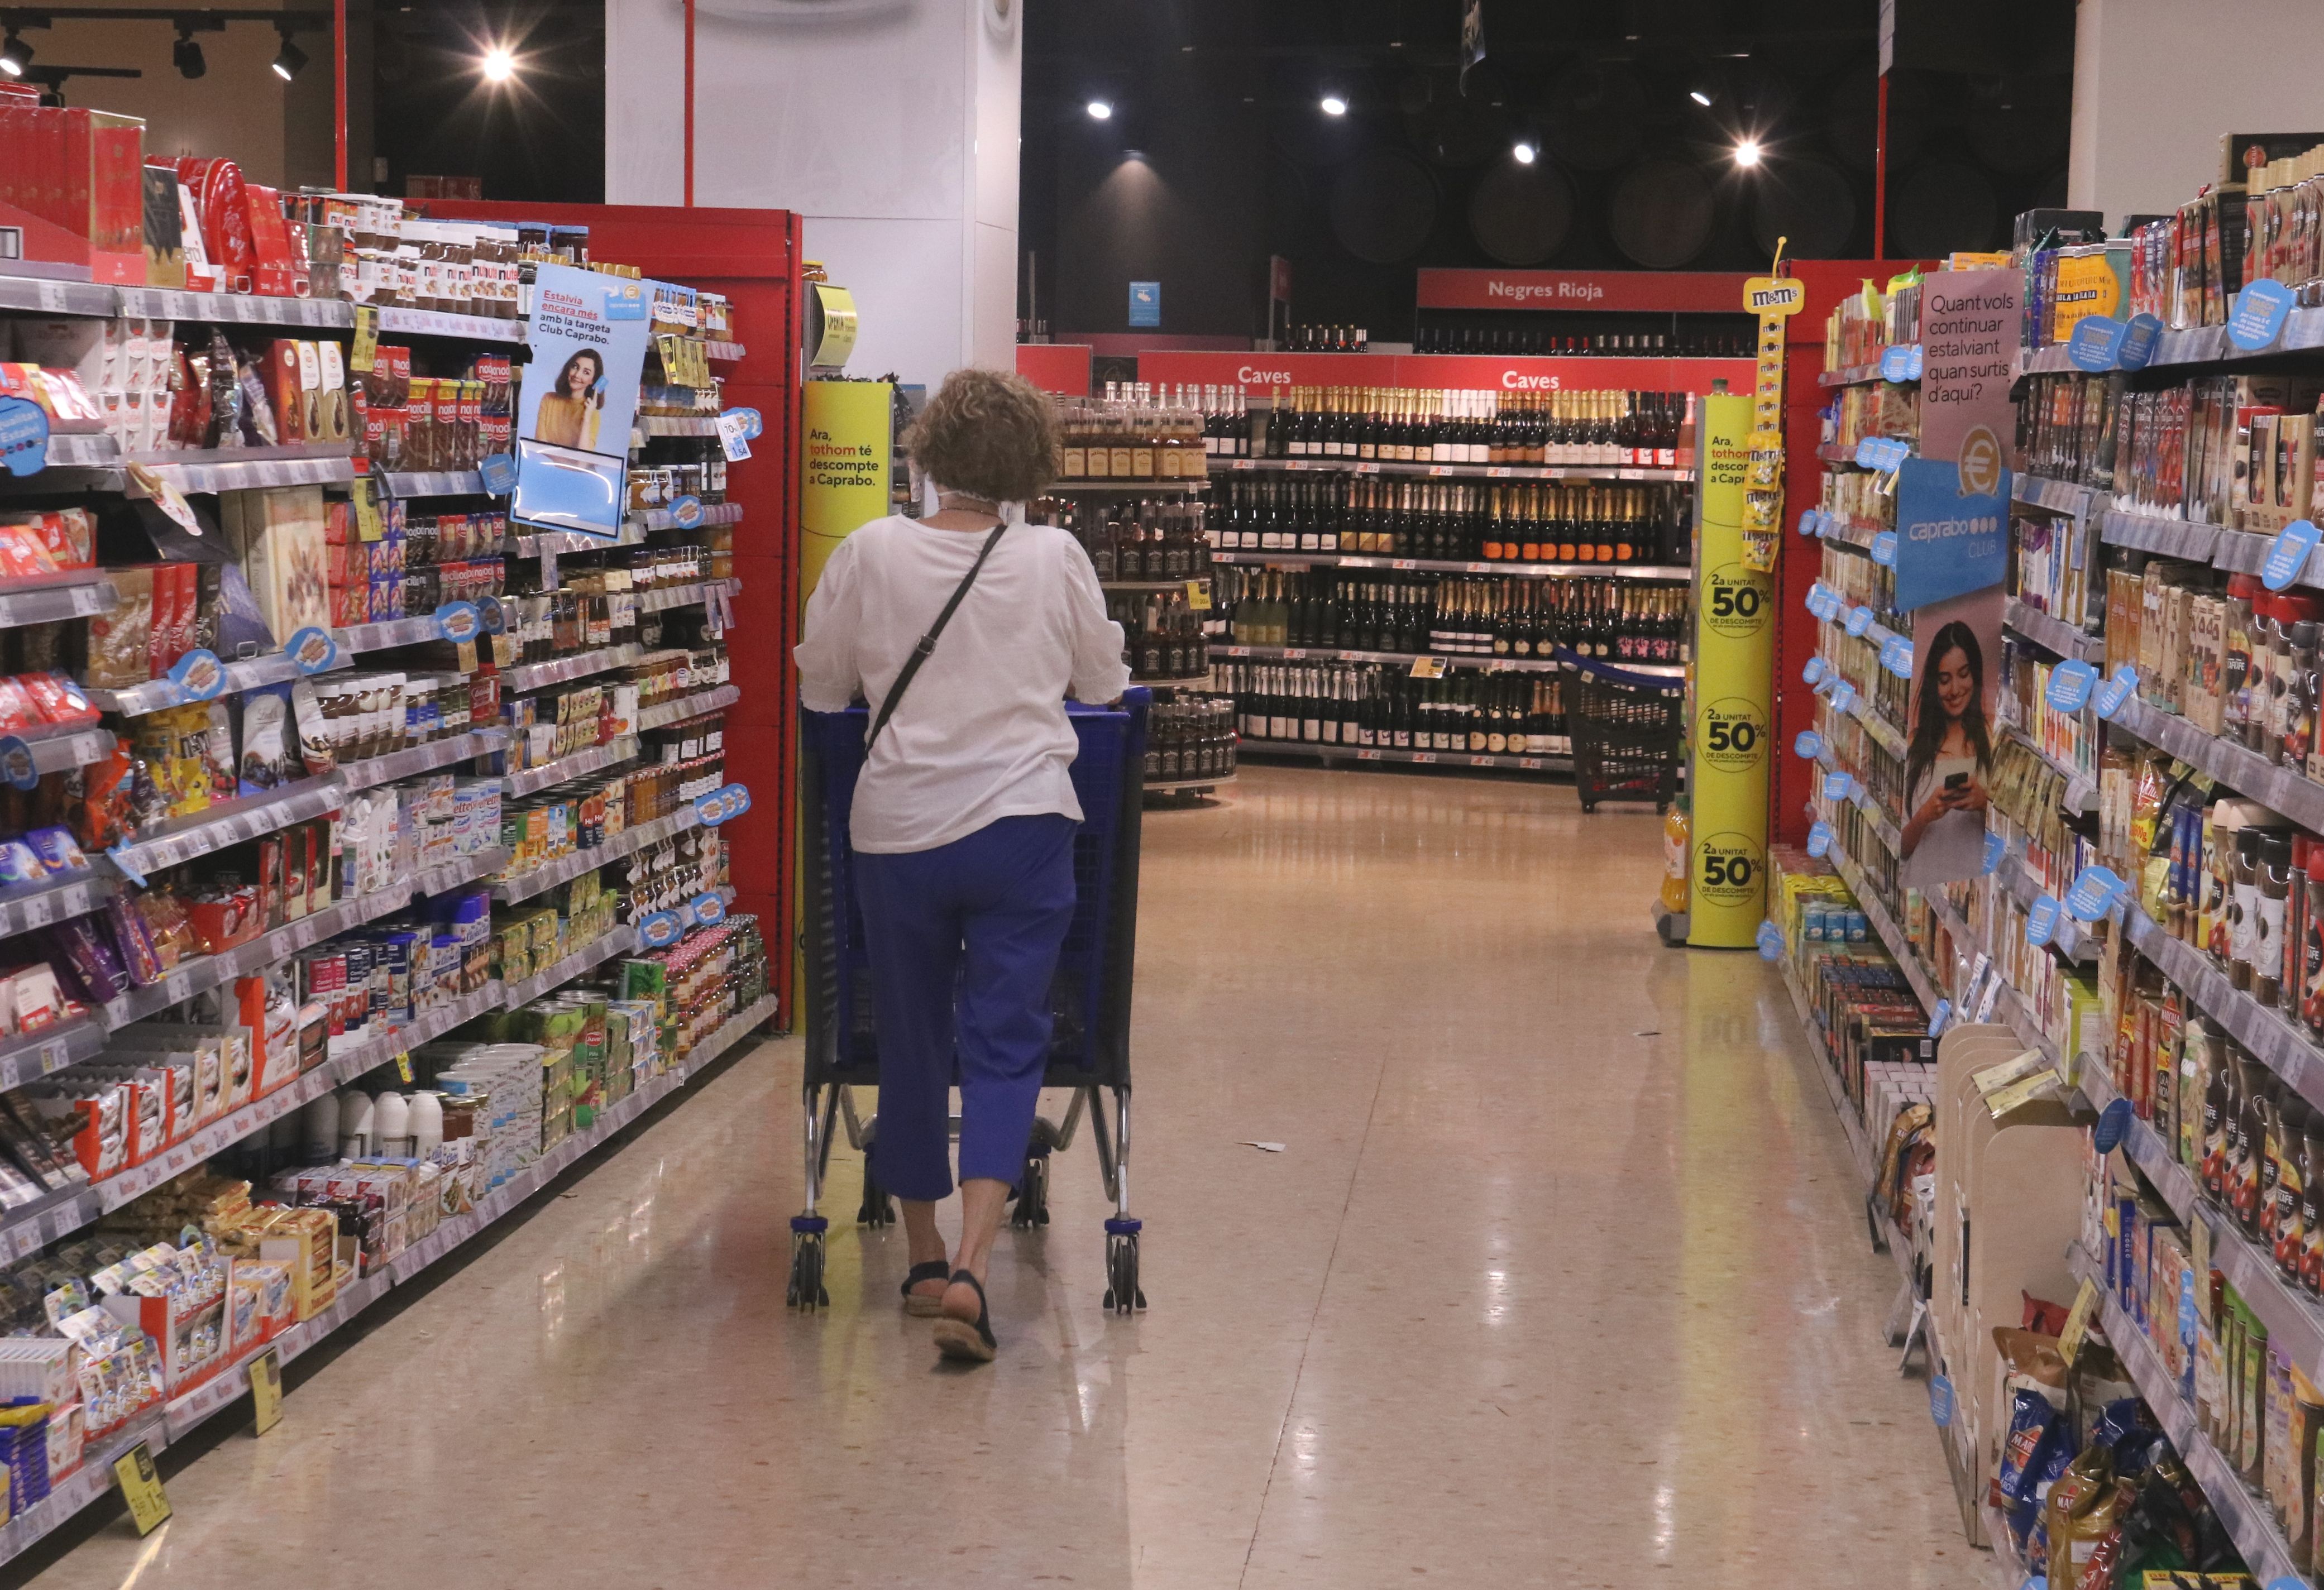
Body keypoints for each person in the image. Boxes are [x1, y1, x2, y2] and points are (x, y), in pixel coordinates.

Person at [795, 368, 1130, 1364]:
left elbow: (820, 689)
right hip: (1023, 830)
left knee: (908, 1035)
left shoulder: (867, 550)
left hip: (897, 833)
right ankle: (981, 1266)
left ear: (927, 456)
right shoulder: (1054, 555)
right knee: (1005, 1037)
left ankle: (925, 1253)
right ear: (1029, 465)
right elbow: (1103, 683)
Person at [1899, 619, 1993, 887]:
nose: (1955, 690)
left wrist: (1985, 803)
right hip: (1921, 890)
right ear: (1933, 684)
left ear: (1975, 674)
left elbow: (2020, 841)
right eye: (1944, 679)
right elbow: (1900, 849)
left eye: (1964, 675)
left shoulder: (1992, 739)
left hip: (1976, 897)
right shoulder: (1915, 745)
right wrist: (1926, 814)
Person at [532, 348, 604, 450]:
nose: (577, 375)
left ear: (593, 380)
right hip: (547, 465)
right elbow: (540, 446)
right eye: (575, 367)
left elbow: (583, 459)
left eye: (586, 372)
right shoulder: (549, 399)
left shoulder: (593, 414)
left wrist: (587, 418)